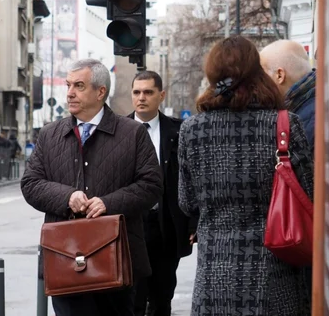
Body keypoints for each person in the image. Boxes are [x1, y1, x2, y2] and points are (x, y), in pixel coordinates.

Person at [178, 37, 314, 316]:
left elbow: (187, 202)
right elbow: (308, 193)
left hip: (213, 278)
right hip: (276, 272)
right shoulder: (285, 125)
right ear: (256, 72)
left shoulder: (192, 130)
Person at [21, 58, 163, 316]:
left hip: (117, 259)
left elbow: (151, 185)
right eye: (68, 85)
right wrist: (67, 196)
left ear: (100, 92)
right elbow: (31, 183)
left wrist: (109, 203)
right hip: (64, 258)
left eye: (79, 85)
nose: (70, 93)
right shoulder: (50, 134)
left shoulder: (132, 133)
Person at [128, 71, 197, 316]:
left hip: (166, 225)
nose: (142, 98)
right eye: (137, 92)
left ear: (161, 95)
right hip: (129, 228)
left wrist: (193, 222)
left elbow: (191, 178)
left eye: (148, 92)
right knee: (132, 299)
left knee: (162, 298)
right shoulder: (117, 131)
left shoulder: (179, 131)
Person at [260, 39, 316, 147]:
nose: (259, 82)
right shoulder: (317, 104)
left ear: (280, 75)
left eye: (262, 75)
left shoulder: (307, 120)